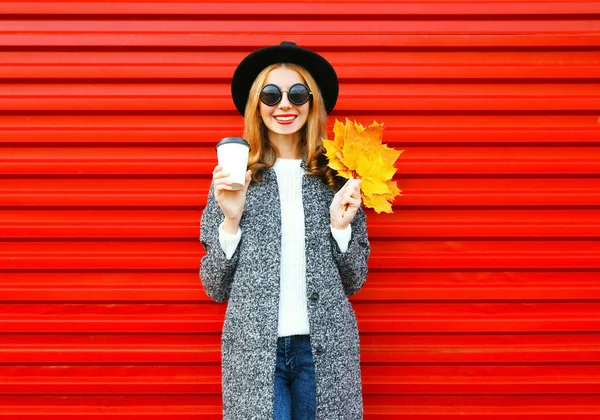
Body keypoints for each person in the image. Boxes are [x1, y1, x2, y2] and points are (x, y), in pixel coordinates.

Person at [200, 41, 370, 420]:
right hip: (255, 352)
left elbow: (356, 278)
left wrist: (340, 229)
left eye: (297, 93)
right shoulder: (234, 179)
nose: (285, 105)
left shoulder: (336, 177)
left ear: (312, 102)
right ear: (256, 105)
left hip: (324, 350)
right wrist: (230, 220)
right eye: (271, 94)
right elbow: (214, 286)